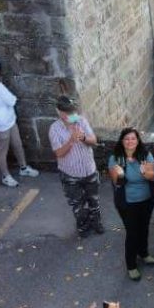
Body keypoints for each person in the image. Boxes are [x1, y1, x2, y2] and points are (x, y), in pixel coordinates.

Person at [0, 60, 40, 187]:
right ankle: (6, 176)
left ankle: (23, 168)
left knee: (17, 144)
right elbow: (12, 101)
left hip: (8, 120)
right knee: (1, 150)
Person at [49, 96, 104, 238]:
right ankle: (83, 226)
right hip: (70, 174)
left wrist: (84, 138)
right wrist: (71, 141)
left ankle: (96, 222)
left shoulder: (80, 120)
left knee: (94, 200)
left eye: (71, 112)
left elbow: (93, 141)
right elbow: (59, 153)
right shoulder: (54, 129)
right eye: (66, 112)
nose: (69, 116)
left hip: (89, 170)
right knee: (77, 205)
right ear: (59, 112)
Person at [108, 128, 154, 281]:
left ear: (138, 141)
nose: (130, 142)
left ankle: (143, 253)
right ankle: (131, 265)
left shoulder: (145, 155)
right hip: (127, 202)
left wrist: (145, 172)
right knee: (132, 232)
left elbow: (152, 176)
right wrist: (121, 174)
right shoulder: (115, 158)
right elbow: (117, 182)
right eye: (127, 139)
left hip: (146, 199)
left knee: (144, 228)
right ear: (122, 141)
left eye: (133, 139)